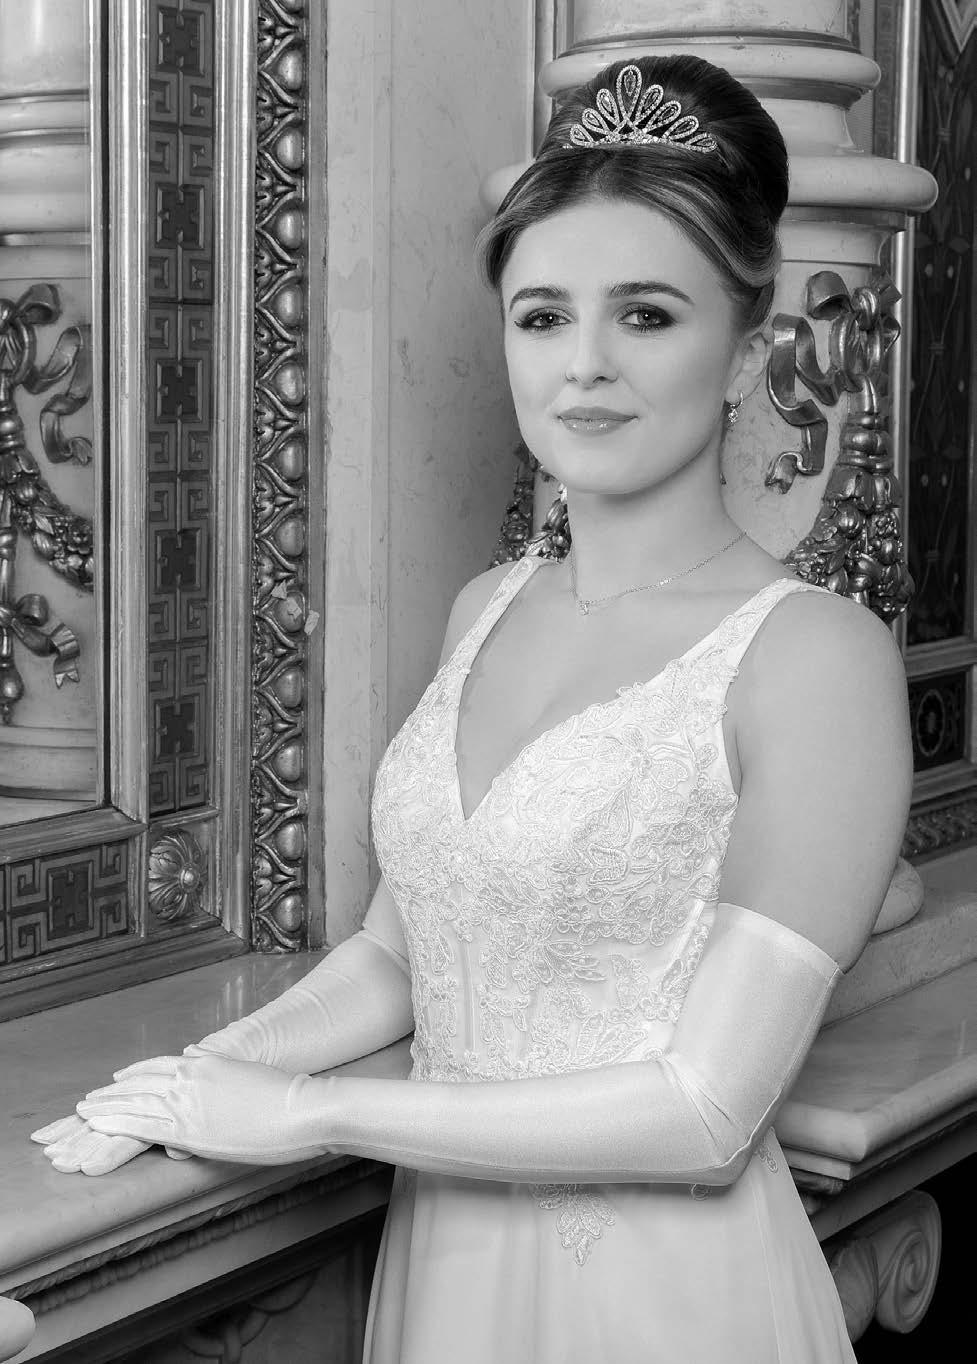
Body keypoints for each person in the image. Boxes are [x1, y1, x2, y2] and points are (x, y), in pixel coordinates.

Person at [32, 55, 912, 1363]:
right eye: (543, 317)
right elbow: (404, 956)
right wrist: (201, 1081)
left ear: (745, 353)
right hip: (447, 1267)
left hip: (666, 1299)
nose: (585, 366)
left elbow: (707, 1112)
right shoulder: (484, 608)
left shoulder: (815, 657)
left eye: (647, 315)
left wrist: (317, 1117)